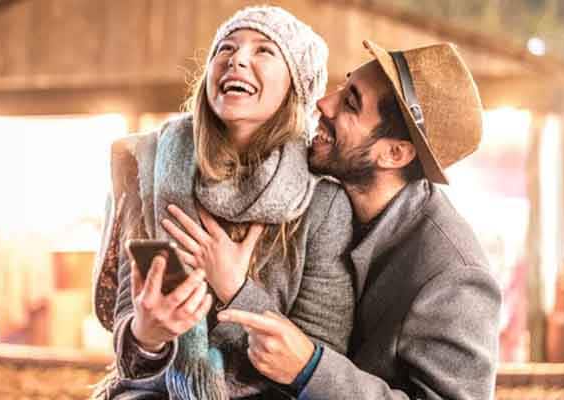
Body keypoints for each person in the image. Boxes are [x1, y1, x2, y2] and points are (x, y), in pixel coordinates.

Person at [92, 6, 354, 400]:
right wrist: (146, 333)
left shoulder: (325, 202)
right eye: (226, 48)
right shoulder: (151, 167)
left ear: (297, 85)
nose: (238, 58)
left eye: (265, 50)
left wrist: (235, 288)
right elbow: (131, 360)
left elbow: (315, 363)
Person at [219, 40, 502, 399]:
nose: (324, 103)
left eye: (350, 103)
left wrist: (310, 369)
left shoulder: (455, 274)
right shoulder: (313, 201)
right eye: (343, 86)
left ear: (394, 153)